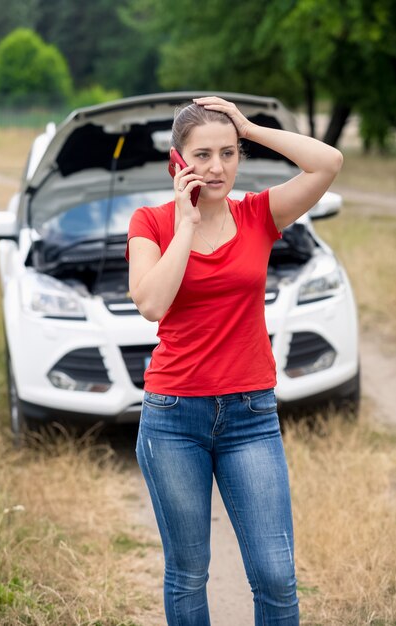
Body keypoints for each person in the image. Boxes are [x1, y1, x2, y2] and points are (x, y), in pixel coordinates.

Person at [125, 96, 343, 626]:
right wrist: (184, 223)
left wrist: (249, 126)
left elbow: (328, 163)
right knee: (188, 571)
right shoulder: (149, 223)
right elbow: (152, 302)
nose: (216, 167)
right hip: (174, 417)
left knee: (274, 575)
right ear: (177, 162)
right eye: (201, 155)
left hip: (250, 416)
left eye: (228, 153)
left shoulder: (258, 214)